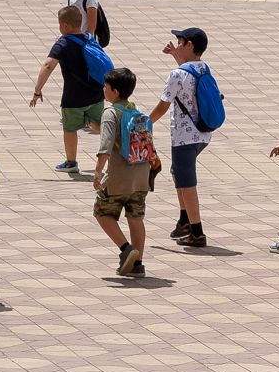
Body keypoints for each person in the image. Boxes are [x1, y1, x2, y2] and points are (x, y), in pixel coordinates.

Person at [147, 27, 217, 249]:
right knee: (178, 173)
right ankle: (185, 220)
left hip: (184, 137)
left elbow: (163, 105)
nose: (177, 45)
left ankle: (197, 232)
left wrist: (145, 123)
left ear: (189, 46)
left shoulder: (177, 74)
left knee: (187, 182)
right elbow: (187, 78)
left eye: (180, 42)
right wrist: (175, 56)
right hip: (203, 133)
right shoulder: (203, 68)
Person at [92, 66, 155, 279]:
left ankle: (126, 249)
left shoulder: (110, 113)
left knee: (102, 212)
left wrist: (98, 172)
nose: (103, 89)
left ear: (115, 91)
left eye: (106, 87)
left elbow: (106, 146)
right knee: (135, 216)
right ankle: (138, 265)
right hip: (141, 176)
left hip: (119, 176)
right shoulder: (135, 111)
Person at [29, 2, 105, 171]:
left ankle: (71, 163)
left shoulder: (63, 44)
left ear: (64, 25)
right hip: (96, 94)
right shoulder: (90, 39)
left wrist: (37, 90)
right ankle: (117, 151)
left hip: (73, 98)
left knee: (70, 129)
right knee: (99, 125)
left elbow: (48, 65)